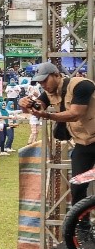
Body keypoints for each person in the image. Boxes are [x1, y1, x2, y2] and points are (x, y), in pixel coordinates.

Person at [21, 61, 95, 205]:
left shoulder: (81, 85)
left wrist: (48, 116)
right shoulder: (49, 94)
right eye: (40, 82)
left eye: (44, 80)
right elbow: (37, 108)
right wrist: (25, 105)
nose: (42, 84)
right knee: (77, 186)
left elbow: (75, 114)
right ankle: (81, 224)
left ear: (56, 75)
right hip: (83, 143)